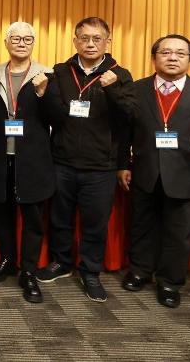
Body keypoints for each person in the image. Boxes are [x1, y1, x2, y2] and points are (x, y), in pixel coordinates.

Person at [118, 34, 190, 309]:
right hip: (145, 173)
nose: (173, 58)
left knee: (179, 234)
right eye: (166, 52)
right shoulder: (136, 90)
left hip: (189, 176)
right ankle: (139, 271)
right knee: (141, 227)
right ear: (154, 57)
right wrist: (123, 164)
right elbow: (124, 133)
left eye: (180, 54)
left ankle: (170, 282)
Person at [38, 16, 134, 303]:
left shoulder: (120, 74)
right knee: (60, 218)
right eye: (84, 38)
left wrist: (112, 89)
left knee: (95, 222)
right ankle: (62, 262)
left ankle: (90, 271)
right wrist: (43, 95)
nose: (90, 44)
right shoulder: (60, 71)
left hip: (101, 165)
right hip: (62, 161)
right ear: (75, 41)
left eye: (97, 38)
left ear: (108, 41)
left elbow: (130, 116)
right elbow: (53, 115)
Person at [0, 22, 53, 303]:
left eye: (27, 39)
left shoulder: (48, 74)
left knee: (33, 218)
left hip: (32, 159)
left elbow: (57, 117)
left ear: (33, 43)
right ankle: (7, 259)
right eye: (16, 39)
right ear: (6, 42)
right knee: (1, 213)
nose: (21, 43)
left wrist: (43, 94)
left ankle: (29, 270)